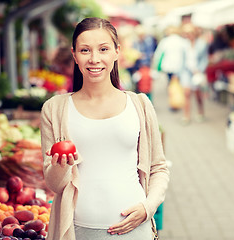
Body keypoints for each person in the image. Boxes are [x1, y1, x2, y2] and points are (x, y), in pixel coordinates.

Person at [40, 17, 169, 240]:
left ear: (117, 52)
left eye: (103, 49)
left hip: (134, 230)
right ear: (74, 55)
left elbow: (159, 168)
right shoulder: (54, 109)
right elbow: (55, 185)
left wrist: (148, 207)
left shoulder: (139, 105)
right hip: (77, 230)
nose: (94, 59)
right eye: (85, 50)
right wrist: (61, 166)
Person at [179, 23, 209, 124]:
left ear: (194, 33)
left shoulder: (202, 44)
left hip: (197, 72)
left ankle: (201, 112)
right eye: (186, 33)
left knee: (198, 94)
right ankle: (186, 116)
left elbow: (204, 59)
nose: (189, 35)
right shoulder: (183, 44)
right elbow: (182, 60)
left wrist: (199, 69)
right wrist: (178, 73)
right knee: (186, 93)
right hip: (186, 72)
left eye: (190, 33)